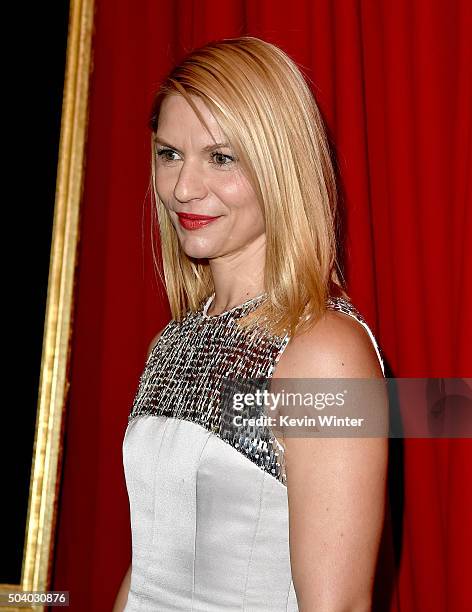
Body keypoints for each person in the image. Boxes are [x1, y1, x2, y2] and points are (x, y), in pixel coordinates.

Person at [114, 36, 388, 612]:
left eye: (221, 157)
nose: (184, 187)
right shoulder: (175, 341)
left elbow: (335, 606)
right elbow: (148, 572)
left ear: (279, 165)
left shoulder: (324, 355)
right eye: (169, 154)